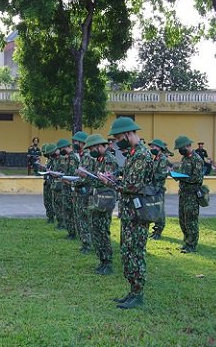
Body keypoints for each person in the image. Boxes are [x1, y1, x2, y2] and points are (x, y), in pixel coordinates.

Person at [99, 117, 154, 309]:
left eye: (118, 137)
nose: (115, 141)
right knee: (127, 251)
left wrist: (110, 183)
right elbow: (129, 179)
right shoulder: (133, 154)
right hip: (130, 211)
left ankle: (137, 294)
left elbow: (133, 185)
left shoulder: (141, 155)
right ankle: (132, 291)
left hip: (138, 212)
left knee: (135, 252)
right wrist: (115, 177)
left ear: (129, 134)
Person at [82, 134, 118, 275]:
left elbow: (108, 181)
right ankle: (102, 260)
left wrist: (89, 177)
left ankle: (107, 262)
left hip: (106, 198)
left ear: (100, 146)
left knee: (102, 230)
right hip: (98, 197)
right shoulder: (100, 159)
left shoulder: (110, 160)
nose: (91, 151)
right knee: (96, 229)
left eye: (92, 148)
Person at [173, 135, 204, 253]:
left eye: (181, 148)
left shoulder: (197, 159)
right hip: (183, 194)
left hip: (192, 194)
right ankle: (186, 241)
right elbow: (183, 172)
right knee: (183, 219)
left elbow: (197, 178)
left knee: (191, 220)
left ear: (188, 146)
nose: (180, 151)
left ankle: (192, 244)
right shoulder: (184, 159)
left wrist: (183, 178)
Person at [71, 131, 91, 253]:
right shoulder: (83, 155)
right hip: (81, 191)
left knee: (84, 219)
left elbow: (86, 176)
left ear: (82, 143)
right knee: (81, 218)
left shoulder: (87, 156)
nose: (74, 144)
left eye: (76, 142)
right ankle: (84, 243)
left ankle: (87, 245)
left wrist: (74, 181)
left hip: (86, 192)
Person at [148, 139, 172, 240]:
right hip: (153, 188)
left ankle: (158, 231)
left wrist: (150, 176)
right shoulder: (156, 158)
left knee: (159, 211)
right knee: (154, 210)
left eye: (154, 147)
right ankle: (155, 231)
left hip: (158, 188)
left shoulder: (163, 159)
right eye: (151, 147)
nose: (152, 148)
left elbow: (162, 174)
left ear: (159, 148)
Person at [56, 138, 79, 240]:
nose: (61, 151)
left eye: (62, 148)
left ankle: (73, 233)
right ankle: (70, 232)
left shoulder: (73, 158)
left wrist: (64, 179)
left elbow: (73, 175)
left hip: (70, 188)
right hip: (66, 186)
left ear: (66, 147)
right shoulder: (69, 157)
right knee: (67, 210)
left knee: (70, 210)